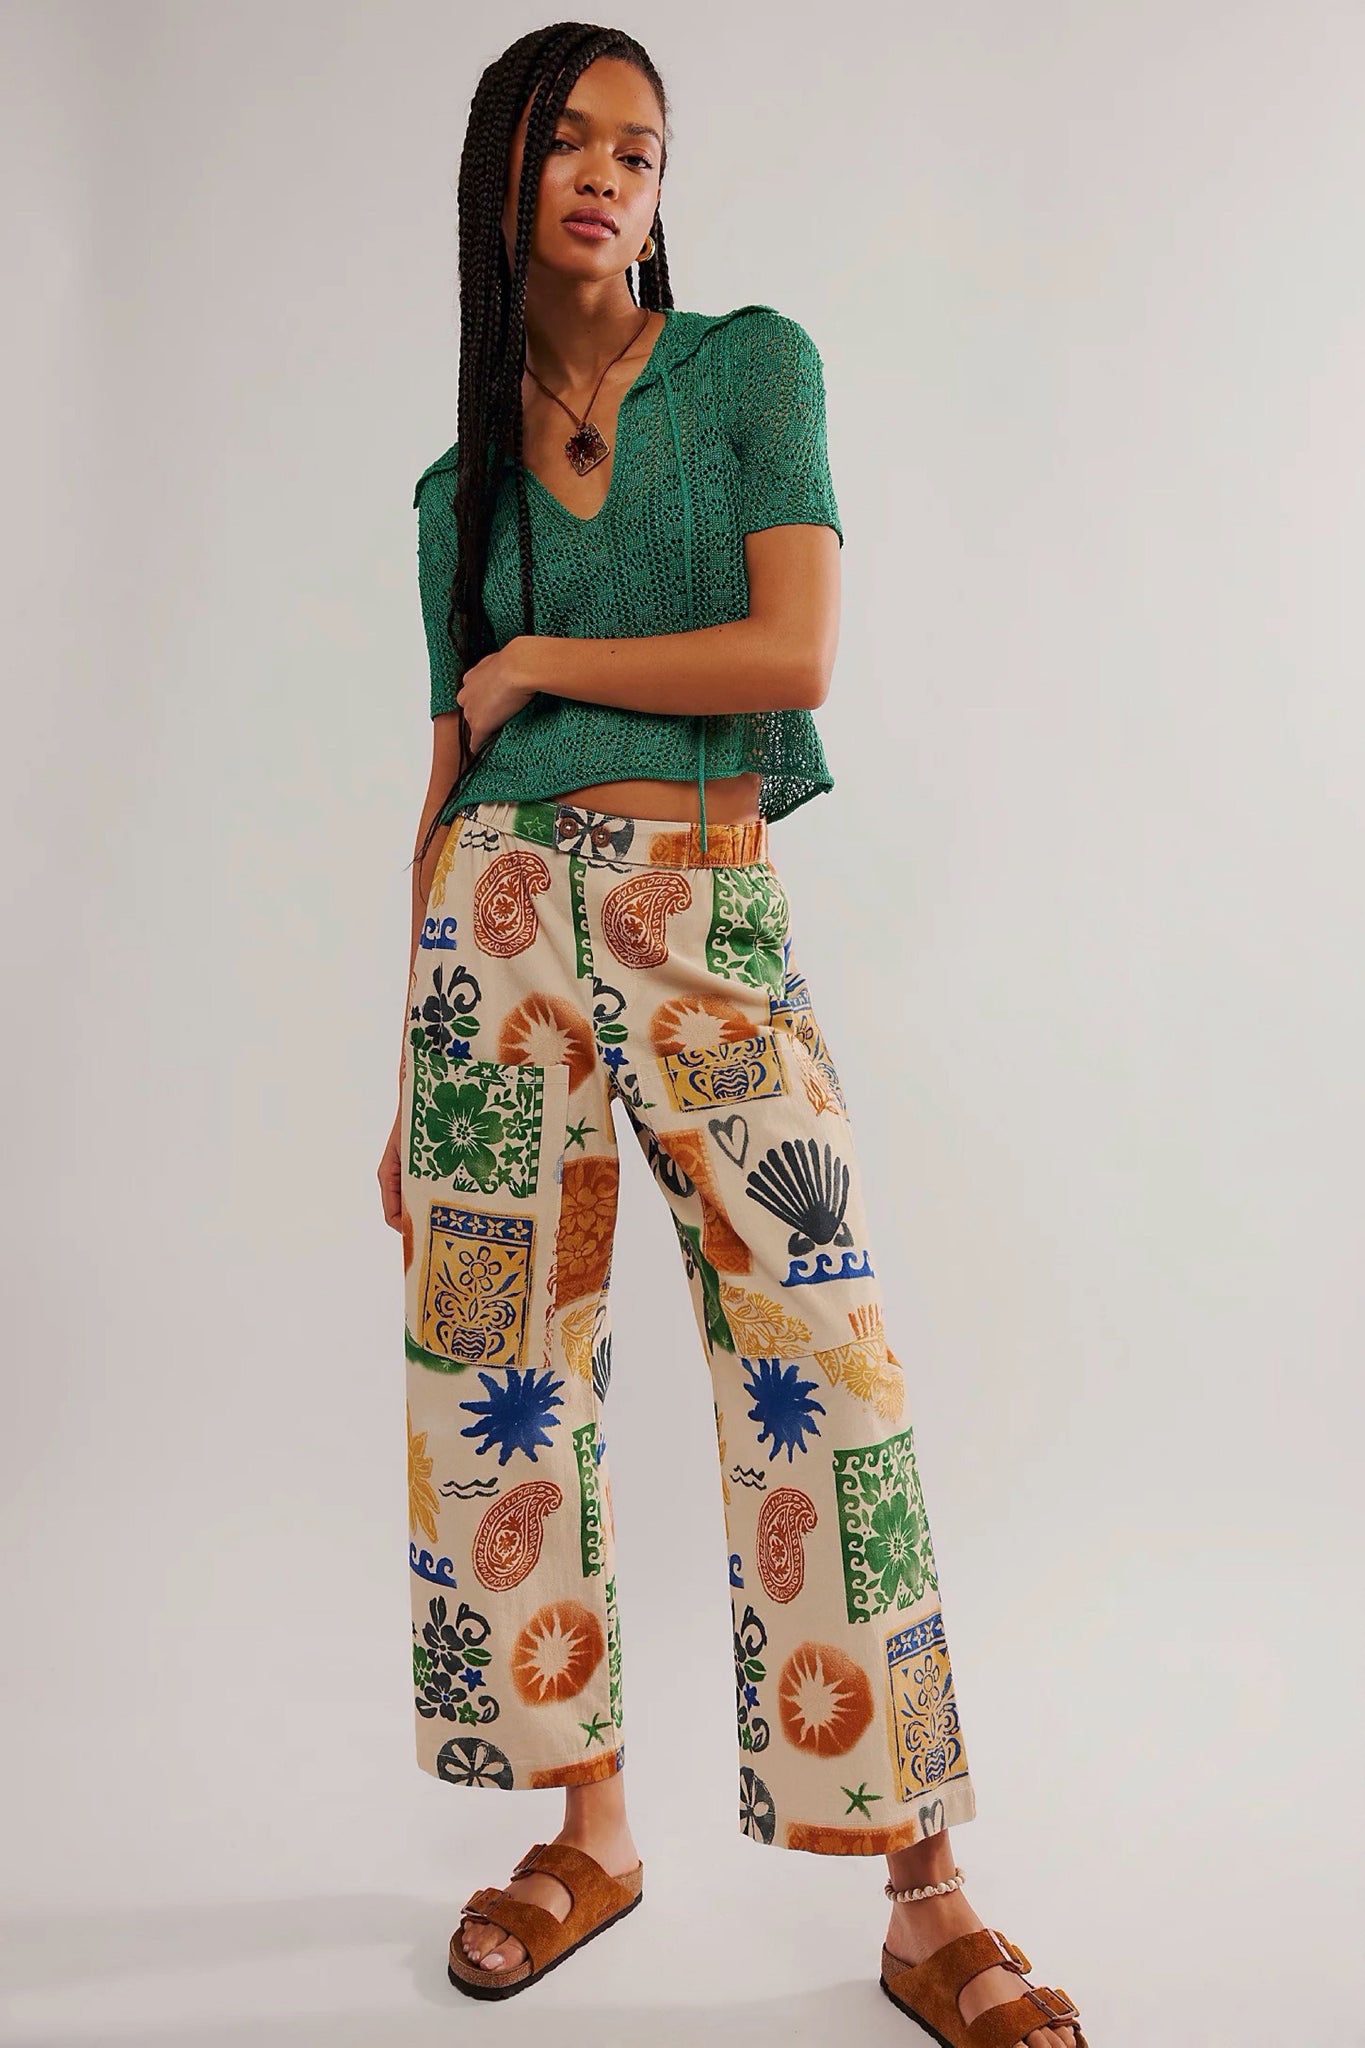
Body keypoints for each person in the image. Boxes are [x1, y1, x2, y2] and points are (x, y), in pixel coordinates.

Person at [377, 23, 1087, 2047]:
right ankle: (587, 1829)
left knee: (821, 1368)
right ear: (500, 173)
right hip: (485, 934)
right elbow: (441, 772)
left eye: (643, 150)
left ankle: (923, 1889)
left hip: (698, 909)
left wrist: (537, 656)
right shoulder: (450, 487)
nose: (611, 175)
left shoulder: (748, 369)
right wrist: (394, 1077)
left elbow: (793, 652)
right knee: (499, 1380)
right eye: (571, 140)